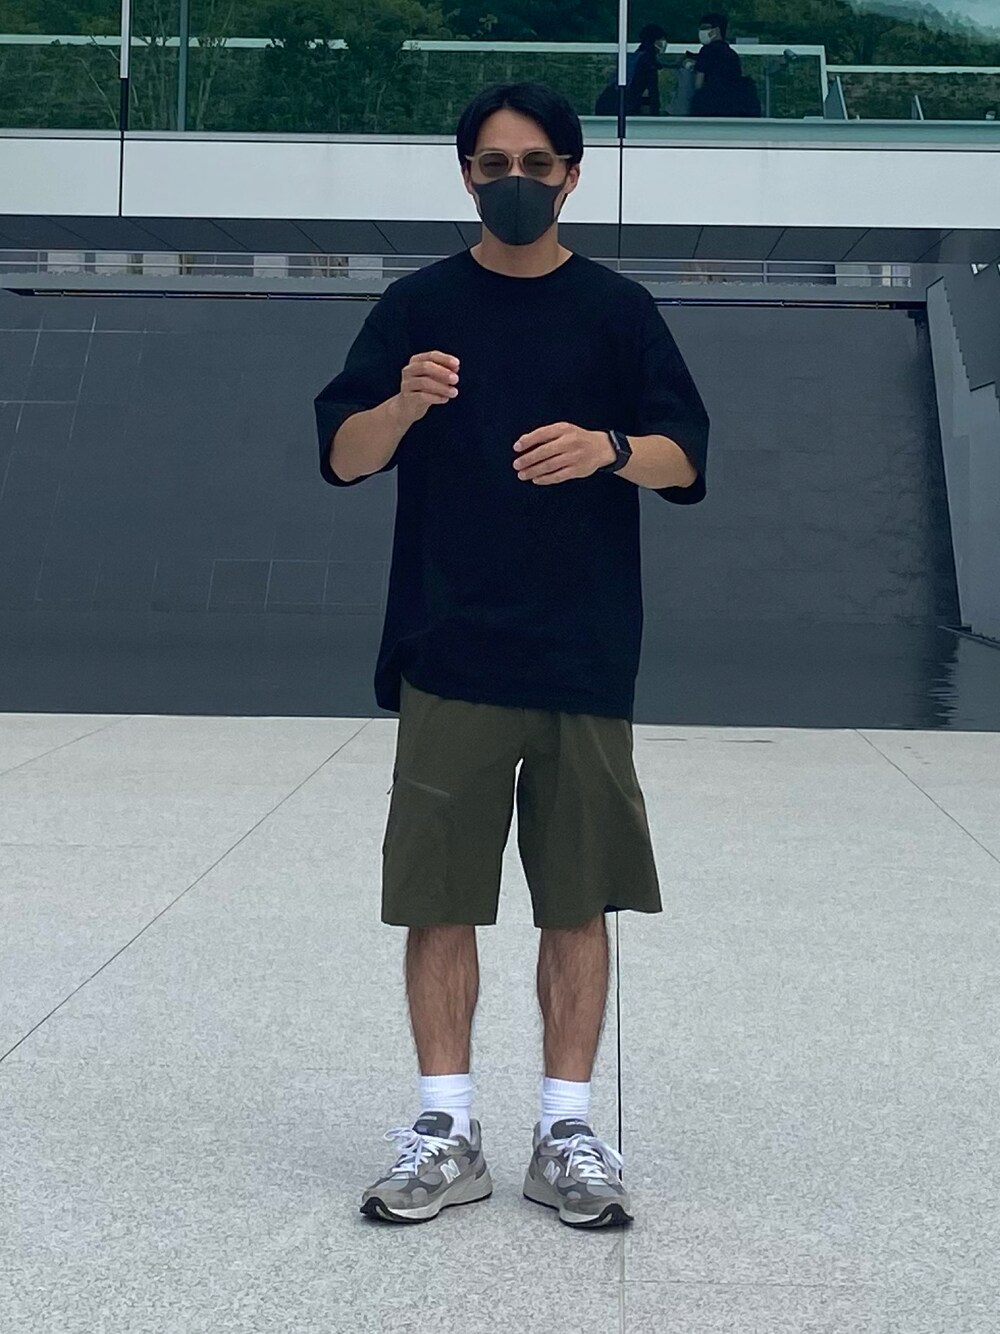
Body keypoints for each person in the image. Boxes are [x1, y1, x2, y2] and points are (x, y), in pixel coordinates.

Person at [314, 81, 709, 1230]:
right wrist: (402, 403)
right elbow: (342, 454)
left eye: (537, 164)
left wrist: (608, 446)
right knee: (438, 898)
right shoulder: (419, 306)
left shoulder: (618, 310)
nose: (515, 183)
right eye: (493, 164)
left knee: (576, 901)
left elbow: (686, 456)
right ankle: (445, 1126)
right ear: (466, 177)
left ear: (572, 176)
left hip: (583, 652)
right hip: (449, 648)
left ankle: (566, 1130)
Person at [691, 11, 744, 117]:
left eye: (705, 28)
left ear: (717, 30)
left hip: (709, 105)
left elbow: (698, 83)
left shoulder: (706, 51)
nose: (702, 32)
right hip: (731, 106)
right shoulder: (732, 54)